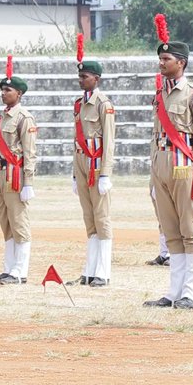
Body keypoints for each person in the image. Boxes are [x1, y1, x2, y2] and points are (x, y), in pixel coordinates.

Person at [143, 15, 193, 310]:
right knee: (170, 229)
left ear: (181, 62)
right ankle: (174, 291)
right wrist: (152, 174)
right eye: (160, 58)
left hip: (184, 164)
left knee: (190, 228)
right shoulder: (160, 94)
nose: (161, 63)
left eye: (167, 58)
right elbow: (155, 135)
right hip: (161, 162)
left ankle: (191, 293)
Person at [0, 57, 37, 285]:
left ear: (19, 94)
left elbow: (29, 152)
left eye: (8, 90)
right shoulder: (0, 118)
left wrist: (29, 182)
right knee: (5, 222)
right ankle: (8, 268)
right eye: (2, 90)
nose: (3, 93)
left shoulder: (23, 118)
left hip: (14, 174)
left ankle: (20, 270)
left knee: (19, 222)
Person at [72, 37, 116, 287]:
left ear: (96, 79)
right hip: (81, 163)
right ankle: (90, 269)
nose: (81, 80)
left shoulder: (103, 104)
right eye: (80, 76)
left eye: (85, 76)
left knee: (102, 218)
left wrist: (106, 174)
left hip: (97, 164)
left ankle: (103, 271)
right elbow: (75, 139)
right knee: (89, 218)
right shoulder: (79, 104)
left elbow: (109, 140)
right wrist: (73, 174)